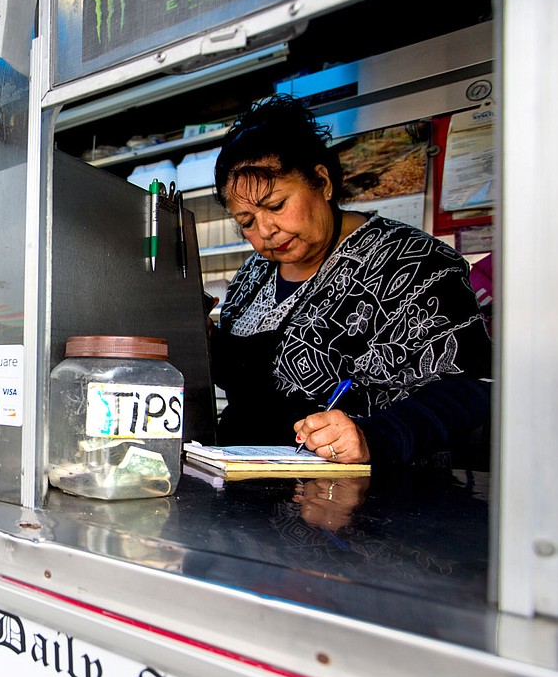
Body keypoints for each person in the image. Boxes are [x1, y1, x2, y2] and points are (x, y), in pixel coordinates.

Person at [209, 95, 491, 466]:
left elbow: (470, 389)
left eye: (276, 206)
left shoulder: (413, 262)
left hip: (360, 497)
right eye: (246, 221)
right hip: (242, 482)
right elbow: (247, 379)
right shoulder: (253, 275)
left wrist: (373, 436)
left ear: (322, 182)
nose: (265, 230)